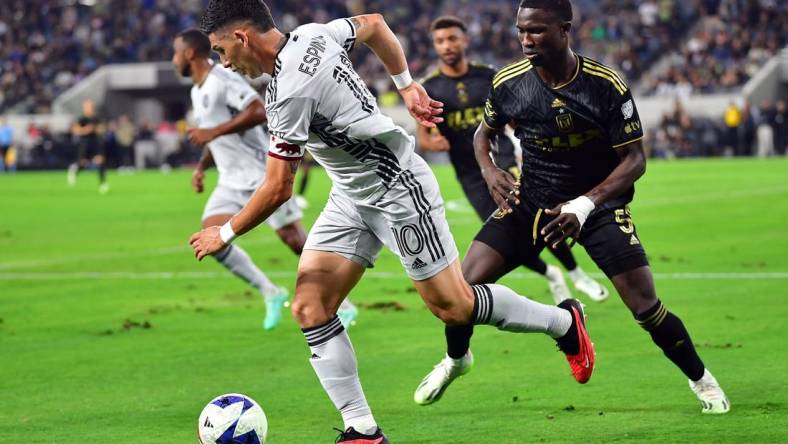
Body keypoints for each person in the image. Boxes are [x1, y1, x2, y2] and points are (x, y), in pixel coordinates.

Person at [189, 1, 595, 442]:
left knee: (454, 307)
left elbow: (277, 188)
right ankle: (362, 430)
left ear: (242, 37)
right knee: (310, 305)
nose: (222, 62)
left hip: (398, 190)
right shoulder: (312, 34)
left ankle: (565, 323)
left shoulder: (289, 91)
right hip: (350, 195)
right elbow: (376, 26)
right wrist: (406, 86)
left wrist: (224, 232)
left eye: (220, 49)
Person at [415, 0, 729, 414]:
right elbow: (482, 134)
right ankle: (458, 360)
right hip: (530, 200)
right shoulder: (509, 81)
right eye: (521, 31)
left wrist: (586, 203)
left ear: (565, 30)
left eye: (537, 31)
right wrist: (490, 170)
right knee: (458, 293)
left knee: (644, 306)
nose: (526, 40)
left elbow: (635, 159)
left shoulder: (605, 84)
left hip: (598, 203)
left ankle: (702, 380)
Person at [173, 28, 358, 329]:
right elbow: (215, 135)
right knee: (209, 237)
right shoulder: (197, 91)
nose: (173, 60)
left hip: (262, 172)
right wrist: (202, 166)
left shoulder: (224, 79)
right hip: (230, 179)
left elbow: (258, 111)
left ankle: (343, 304)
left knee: (295, 241)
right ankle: (270, 291)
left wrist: (213, 133)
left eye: (175, 53)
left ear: (189, 53)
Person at [418, 15, 608, 304]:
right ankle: (551, 273)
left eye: (452, 38)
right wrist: (434, 141)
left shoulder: (489, 76)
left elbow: (518, 112)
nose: (447, 45)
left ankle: (577, 273)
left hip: (504, 161)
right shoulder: (429, 87)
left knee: (536, 215)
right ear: (434, 46)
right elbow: (424, 136)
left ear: (465, 40)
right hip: (470, 173)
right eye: (440, 41)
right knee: (498, 233)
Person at [67, 99, 109, 193]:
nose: (89, 108)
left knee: (100, 161)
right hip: (85, 143)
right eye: (87, 106)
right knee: (83, 163)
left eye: (90, 106)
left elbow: (102, 129)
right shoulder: (81, 118)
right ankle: (74, 171)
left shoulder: (96, 118)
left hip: (96, 142)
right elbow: (76, 131)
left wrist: (99, 130)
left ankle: (103, 183)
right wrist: (86, 129)